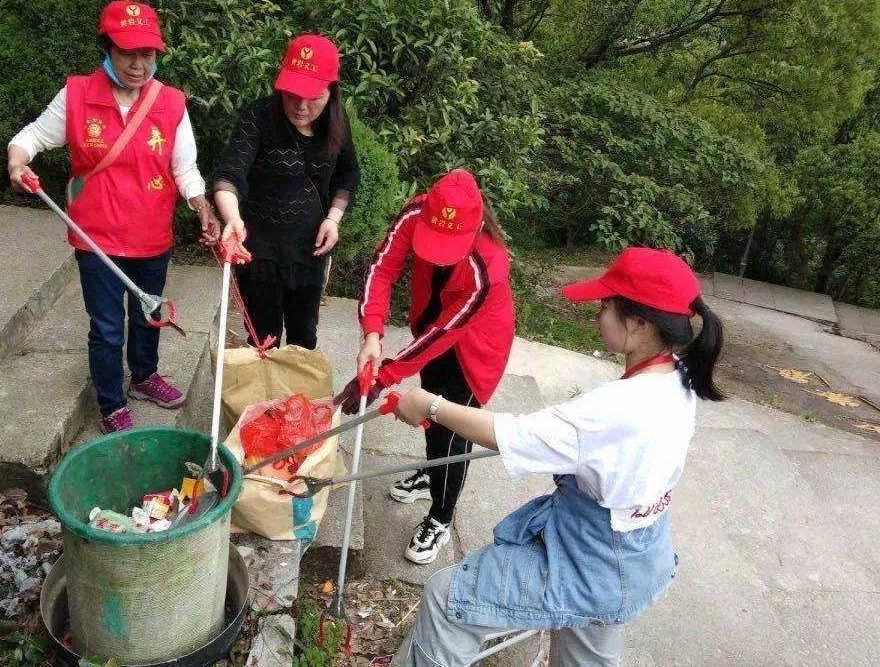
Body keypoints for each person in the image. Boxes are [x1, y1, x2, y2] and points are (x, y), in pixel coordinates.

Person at [388, 247, 726, 667]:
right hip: (638, 555)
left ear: (639, 323)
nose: (597, 314)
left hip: (593, 557)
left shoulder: (617, 406)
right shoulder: (679, 374)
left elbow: (512, 435)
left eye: (606, 305)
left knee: (446, 597)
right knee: (590, 639)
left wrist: (431, 405)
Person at [7, 0, 219, 434]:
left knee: (149, 313)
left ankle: (143, 377)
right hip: (96, 235)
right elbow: (29, 137)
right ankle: (110, 402)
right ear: (107, 49)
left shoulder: (172, 103)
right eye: (128, 54)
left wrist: (202, 206)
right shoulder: (77, 95)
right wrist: (17, 162)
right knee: (106, 326)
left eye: (148, 54)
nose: (139, 65)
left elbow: (185, 169)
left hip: (150, 235)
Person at [335, 169, 515, 564]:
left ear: (477, 226)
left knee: (450, 428)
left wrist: (384, 376)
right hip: (431, 327)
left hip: (473, 347)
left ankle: (441, 515)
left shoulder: (488, 267)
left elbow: (445, 332)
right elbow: (382, 269)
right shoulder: (417, 211)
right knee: (431, 413)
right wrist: (372, 334)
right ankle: (433, 474)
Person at [211, 34, 359, 350]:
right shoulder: (259, 117)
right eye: (292, 94)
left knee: (304, 337)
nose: (301, 106)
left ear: (331, 91)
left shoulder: (337, 120)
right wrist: (233, 218)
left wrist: (333, 219)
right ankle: (263, 400)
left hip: (310, 251)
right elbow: (228, 175)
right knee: (263, 340)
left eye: (314, 97)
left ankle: (296, 400)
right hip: (260, 252)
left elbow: (348, 172)